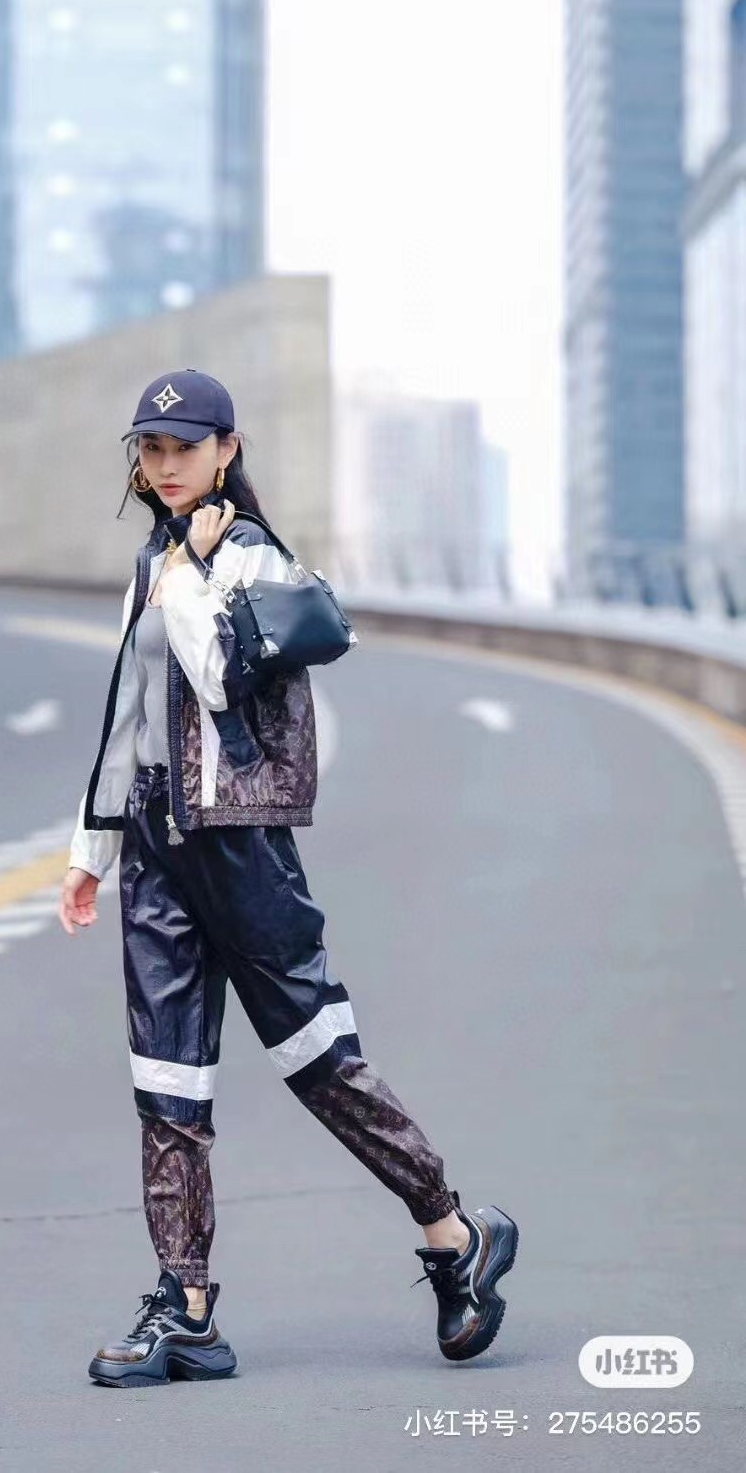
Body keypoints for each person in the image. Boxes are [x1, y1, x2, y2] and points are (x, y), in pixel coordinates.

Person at [58, 369, 518, 1387]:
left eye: (185, 446)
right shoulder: (154, 561)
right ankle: (186, 1311)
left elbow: (220, 681)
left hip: (242, 849)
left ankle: (453, 1233)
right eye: (151, 448)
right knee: (166, 1080)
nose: (165, 464)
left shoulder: (252, 561)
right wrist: (91, 852)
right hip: (158, 846)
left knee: (319, 1061)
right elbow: (129, 710)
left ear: (227, 449)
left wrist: (193, 574)